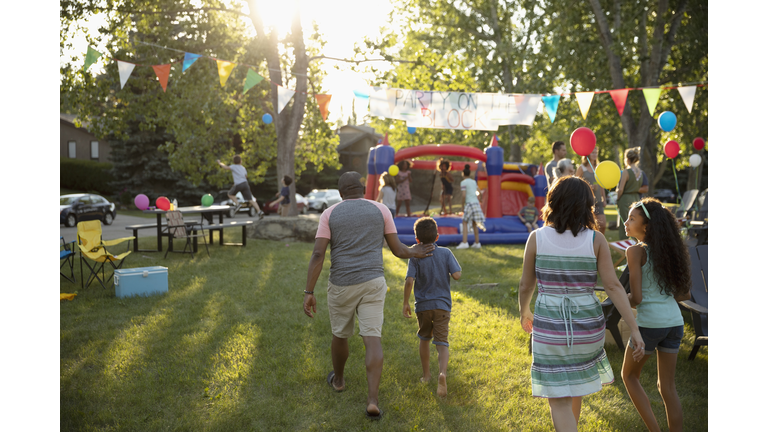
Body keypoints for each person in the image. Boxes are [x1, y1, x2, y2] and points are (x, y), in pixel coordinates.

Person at [302, 171, 435, 421]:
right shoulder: (381, 210)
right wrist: (415, 252)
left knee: (340, 334)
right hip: (374, 282)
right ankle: (372, 400)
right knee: (372, 338)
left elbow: (318, 255)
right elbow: (397, 250)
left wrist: (309, 291)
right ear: (363, 189)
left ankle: (339, 381)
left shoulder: (329, 214)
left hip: (341, 284)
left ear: (341, 193)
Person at [518, 176, 645, 432]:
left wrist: (524, 311)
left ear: (553, 202)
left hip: (551, 328)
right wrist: (634, 327)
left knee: (559, 402)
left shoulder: (537, 238)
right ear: (586, 205)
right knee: (574, 388)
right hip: (588, 328)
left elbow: (525, 285)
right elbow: (613, 286)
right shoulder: (595, 240)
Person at [621, 198, 692, 432]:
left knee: (629, 376)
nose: (626, 222)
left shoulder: (635, 252)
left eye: (632, 218)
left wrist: (619, 299)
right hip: (674, 322)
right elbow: (684, 294)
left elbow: (637, 298)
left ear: (647, 227)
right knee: (667, 387)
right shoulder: (670, 253)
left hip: (650, 325)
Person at [402, 217, 462, 397]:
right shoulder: (446, 253)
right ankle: (442, 374)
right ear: (437, 236)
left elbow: (409, 281)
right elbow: (457, 275)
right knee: (442, 343)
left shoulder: (415, 256)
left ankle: (427, 376)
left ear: (417, 240)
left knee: (424, 338)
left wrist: (405, 302)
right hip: (443, 306)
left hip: (423, 307)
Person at [216, 155, 264, 220]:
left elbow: (226, 167)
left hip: (238, 184)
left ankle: (238, 204)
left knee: (230, 194)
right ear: (241, 161)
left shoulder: (233, 166)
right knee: (250, 200)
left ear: (234, 161)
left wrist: (219, 163)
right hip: (245, 184)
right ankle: (259, 211)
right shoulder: (243, 168)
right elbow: (246, 176)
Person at [575, 147, 607, 234]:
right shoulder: (581, 168)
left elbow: (601, 185)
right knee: (587, 225)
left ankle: (600, 243)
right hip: (586, 201)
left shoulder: (598, 167)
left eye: (596, 153)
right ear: (588, 154)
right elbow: (576, 184)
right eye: (593, 153)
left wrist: (604, 199)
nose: (595, 155)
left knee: (603, 225)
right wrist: (588, 187)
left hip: (598, 200)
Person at [616, 147, 644, 239]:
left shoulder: (626, 172)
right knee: (635, 224)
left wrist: (618, 198)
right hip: (636, 199)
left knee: (625, 224)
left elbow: (621, 189)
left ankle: (625, 247)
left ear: (627, 159)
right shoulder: (640, 172)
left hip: (625, 199)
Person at [457, 164, 486, 249]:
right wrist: (480, 200)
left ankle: (464, 242)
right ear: (469, 174)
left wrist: (462, 206)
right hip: (476, 203)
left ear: (463, 174)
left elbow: (463, 195)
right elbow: (480, 193)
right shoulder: (473, 182)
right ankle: (477, 243)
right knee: (474, 223)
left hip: (469, 204)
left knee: (465, 222)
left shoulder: (463, 182)